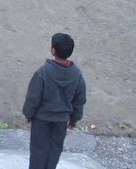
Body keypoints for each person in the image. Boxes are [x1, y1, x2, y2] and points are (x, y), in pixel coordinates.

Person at [23, 32, 87, 169]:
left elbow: (33, 96)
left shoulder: (43, 72)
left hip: (41, 119)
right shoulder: (77, 74)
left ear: (53, 50)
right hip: (61, 121)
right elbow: (79, 99)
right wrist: (75, 118)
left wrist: (29, 113)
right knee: (54, 151)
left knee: (38, 151)